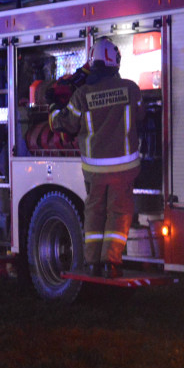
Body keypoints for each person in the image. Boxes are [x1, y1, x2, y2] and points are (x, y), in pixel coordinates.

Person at [48, 38, 143, 279]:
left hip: (95, 171)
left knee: (94, 213)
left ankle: (92, 264)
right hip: (124, 168)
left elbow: (64, 123)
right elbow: (140, 116)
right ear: (115, 62)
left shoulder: (82, 95)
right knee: (118, 213)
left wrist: (52, 108)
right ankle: (110, 263)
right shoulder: (131, 89)